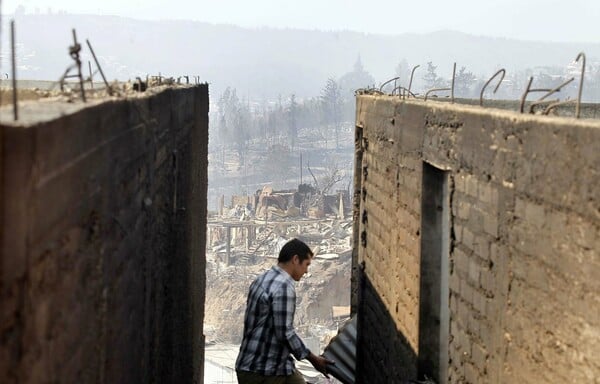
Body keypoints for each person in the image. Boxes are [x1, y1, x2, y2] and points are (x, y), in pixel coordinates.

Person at [235, 238, 334, 384]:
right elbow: (284, 333)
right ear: (295, 259)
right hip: (263, 370)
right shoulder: (284, 287)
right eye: (306, 265)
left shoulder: (261, 279)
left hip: (263, 365)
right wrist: (313, 359)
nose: (306, 271)